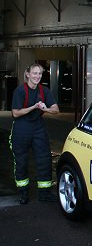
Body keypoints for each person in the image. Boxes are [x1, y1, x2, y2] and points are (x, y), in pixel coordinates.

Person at [10, 63, 60, 204]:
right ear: (28, 74)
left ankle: (44, 194)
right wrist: (34, 107)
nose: (37, 76)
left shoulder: (44, 90)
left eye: (39, 74)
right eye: (34, 73)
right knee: (21, 161)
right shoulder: (20, 90)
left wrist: (46, 109)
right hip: (21, 128)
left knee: (44, 159)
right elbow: (16, 112)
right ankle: (23, 194)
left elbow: (56, 109)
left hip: (38, 127)